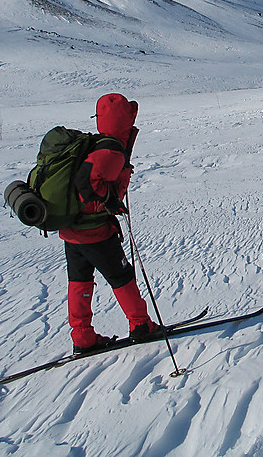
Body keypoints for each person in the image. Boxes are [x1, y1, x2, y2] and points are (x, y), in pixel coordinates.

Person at [59, 93, 160, 353]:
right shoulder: (110, 150)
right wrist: (109, 200)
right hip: (94, 230)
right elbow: (87, 182)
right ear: (124, 120)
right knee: (122, 276)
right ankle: (141, 325)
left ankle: (82, 338)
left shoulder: (97, 144)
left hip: (72, 231)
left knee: (79, 281)